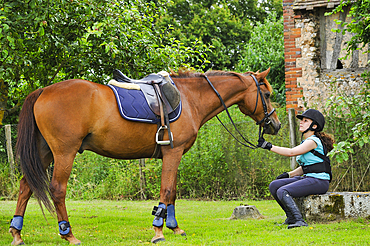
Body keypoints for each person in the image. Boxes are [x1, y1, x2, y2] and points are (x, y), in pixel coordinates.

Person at [257, 109, 334, 229]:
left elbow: (291, 152)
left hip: (319, 181)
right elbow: (306, 167)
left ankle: (299, 220)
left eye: (305, 120)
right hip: (309, 178)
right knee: (274, 186)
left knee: (283, 191)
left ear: (314, 126)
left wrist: (269, 146)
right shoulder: (307, 141)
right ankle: (291, 217)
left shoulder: (313, 141)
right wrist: (288, 175)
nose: (301, 122)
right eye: (301, 120)